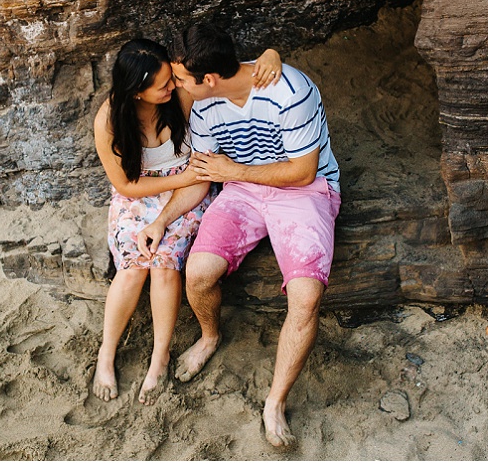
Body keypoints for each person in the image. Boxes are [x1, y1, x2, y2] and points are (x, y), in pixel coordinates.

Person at [137, 22, 340, 449]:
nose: (173, 85)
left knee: (305, 296)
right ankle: (210, 336)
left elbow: (302, 171)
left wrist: (235, 172)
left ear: (207, 78)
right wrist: (161, 221)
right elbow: (204, 173)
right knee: (198, 272)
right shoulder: (205, 104)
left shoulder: (290, 91)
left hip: (304, 192)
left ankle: (275, 401)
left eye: (178, 78)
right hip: (242, 192)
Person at [92, 36, 282, 405]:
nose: (173, 85)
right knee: (133, 268)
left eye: (172, 78)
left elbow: (227, 71)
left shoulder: (182, 94)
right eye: (162, 84)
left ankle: (159, 356)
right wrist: (185, 178)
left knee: (164, 266)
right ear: (136, 92)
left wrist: (270, 55)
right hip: (142, 193)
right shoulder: (109, 120)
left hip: (189, 193)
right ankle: (107, 352)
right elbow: (125, 184)